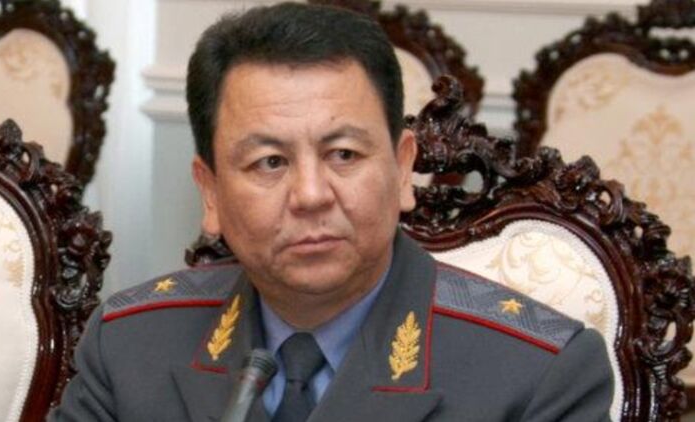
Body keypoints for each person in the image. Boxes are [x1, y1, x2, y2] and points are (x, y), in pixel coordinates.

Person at [50, 2, 613, 421]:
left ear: (402, 170)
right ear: (211, 193)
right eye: (270, 162)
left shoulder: (538, 372)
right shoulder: (129, 345)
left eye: (343, 154)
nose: (311, 194)